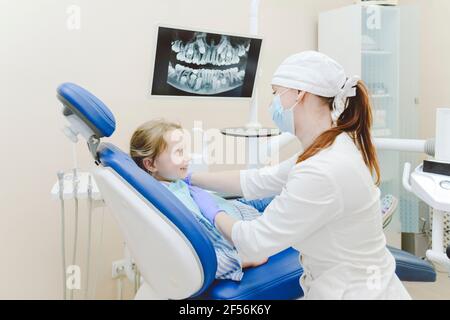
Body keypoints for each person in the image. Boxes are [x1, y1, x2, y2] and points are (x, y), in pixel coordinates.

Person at [184, 51, 411, 299]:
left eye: (276, 93)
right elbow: (258, 180)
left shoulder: (323, 168)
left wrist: (213, 211)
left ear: (299, 94)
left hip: (354, 291)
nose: (273, 104)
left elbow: (253, 240)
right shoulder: (328, 146)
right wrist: (192, 178)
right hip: (346, 282)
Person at [129, 119, 268, 281]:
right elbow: (199, 264)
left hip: (237, 207)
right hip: (248, 225)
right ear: (151, 165)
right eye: (179, 152)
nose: (187, 157)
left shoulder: (173, 182)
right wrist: (244, 260)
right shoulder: (170, 205)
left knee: (279, 188)